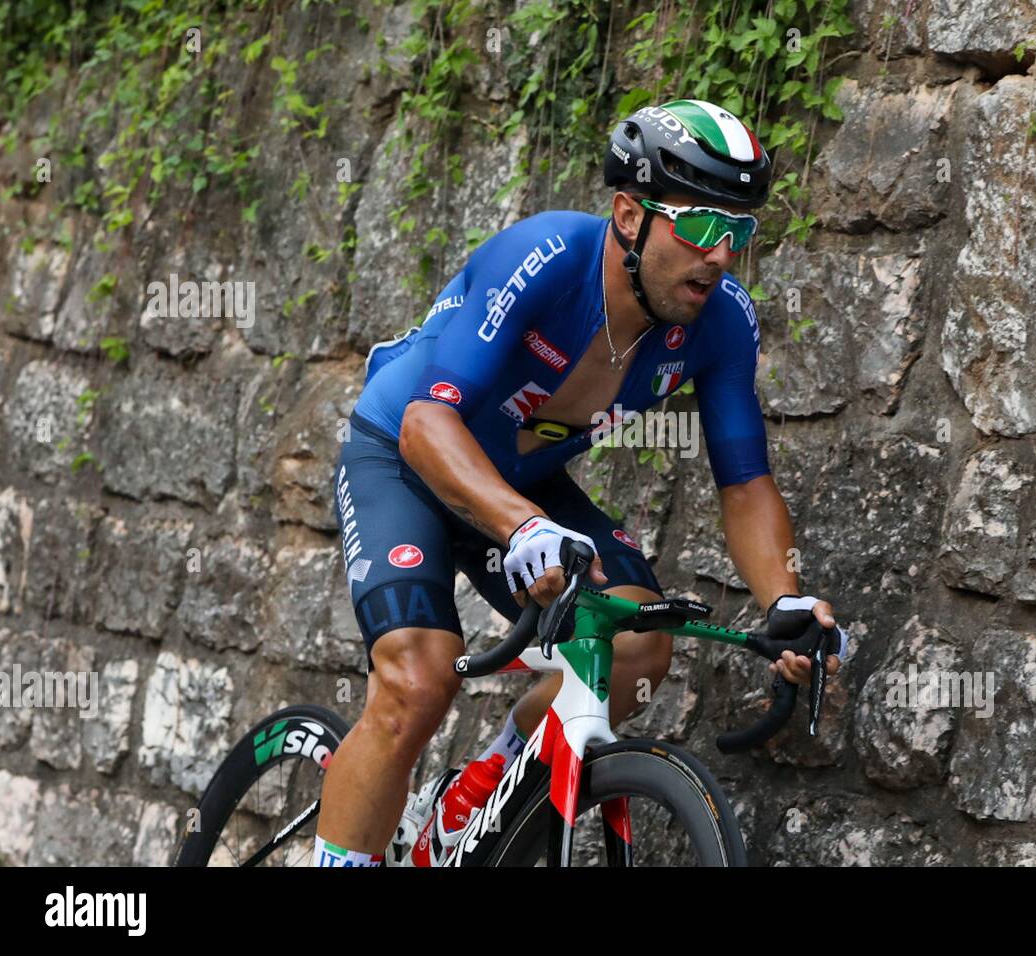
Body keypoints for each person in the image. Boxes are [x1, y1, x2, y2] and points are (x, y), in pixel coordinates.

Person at [316, 99, 846, 867]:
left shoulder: (721, 320)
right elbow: (428, 426)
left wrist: (784, 600)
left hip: (520, 479)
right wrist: (522, 526)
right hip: (407, 454)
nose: (720, 255)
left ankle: (485, 784)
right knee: (419, 681)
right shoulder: (546, 259)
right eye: (699, 228)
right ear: (630, 215)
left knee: (636, 642)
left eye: (738, 233)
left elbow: (745, 482)